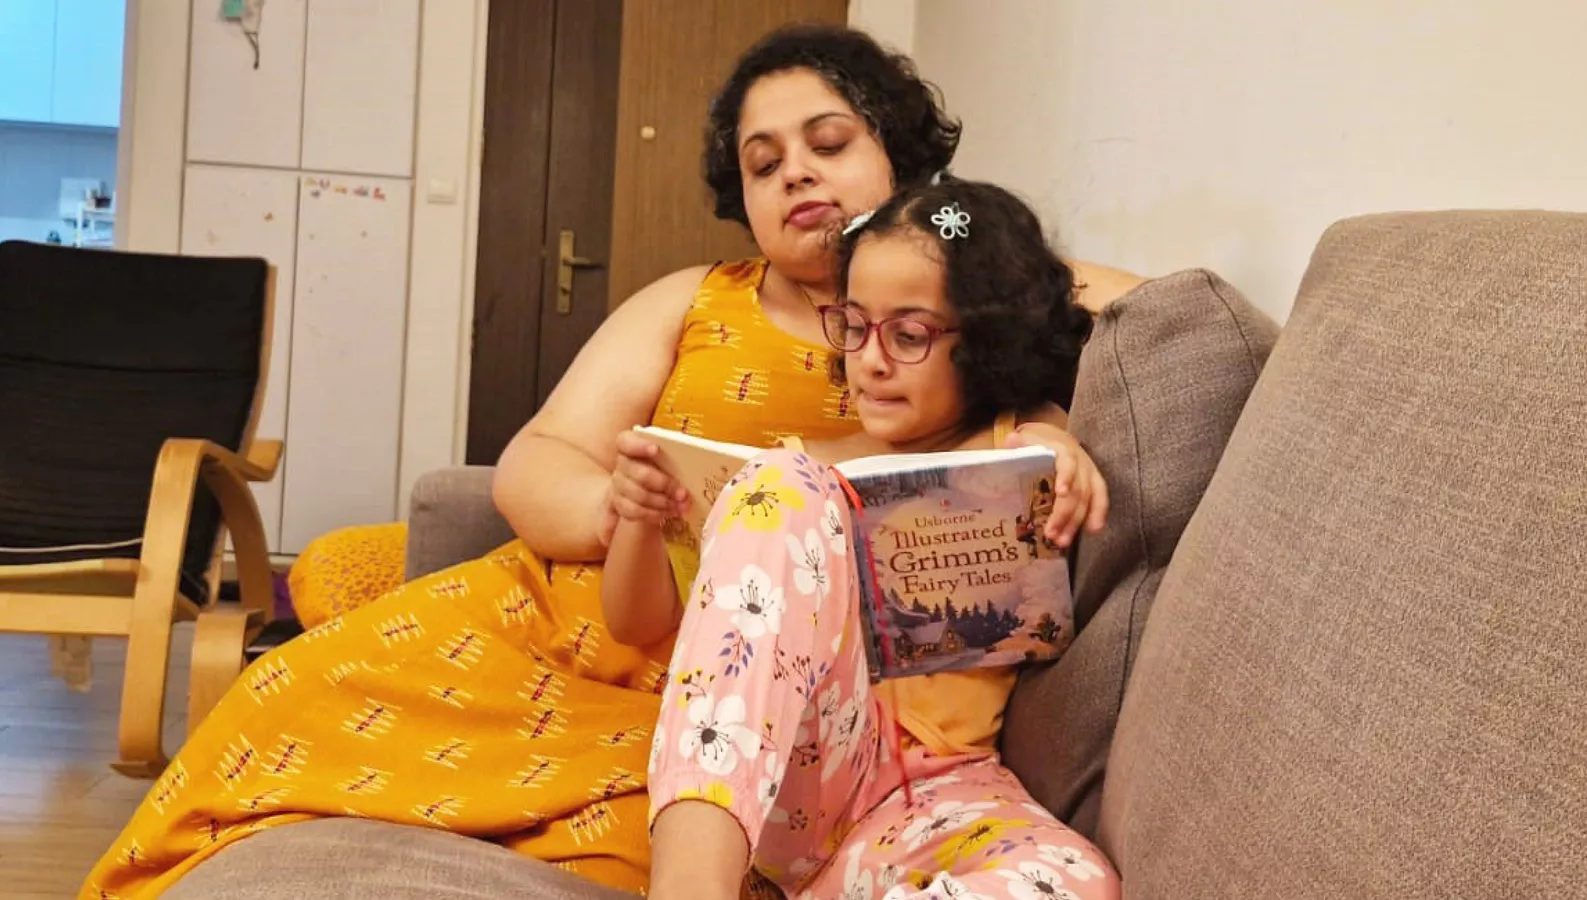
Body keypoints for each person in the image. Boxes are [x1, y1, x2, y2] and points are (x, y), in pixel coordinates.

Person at [83, 23, 1146, 900]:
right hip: (616, 608)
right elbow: (533, 464)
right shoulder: (692, 296)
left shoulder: (959, 305)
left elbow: (1097, 305)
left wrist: (1034, 397)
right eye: (763, 162)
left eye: (828, 142)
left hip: (803, 714)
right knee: (286, 691)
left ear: (901, 157)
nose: (797, 175)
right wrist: (641, 508)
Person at [610, 179, 1118, 900]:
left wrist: (1057, 453)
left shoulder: (1018, 440)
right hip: (796, 777)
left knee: (1072, 881)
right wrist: (637, 516)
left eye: (909, 335)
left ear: (986, 343)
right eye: (853, 325)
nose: (870, 359)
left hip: (947, 794)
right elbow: (633, 621)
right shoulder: (794, 467)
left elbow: (1064, 418)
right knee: (785, 484)